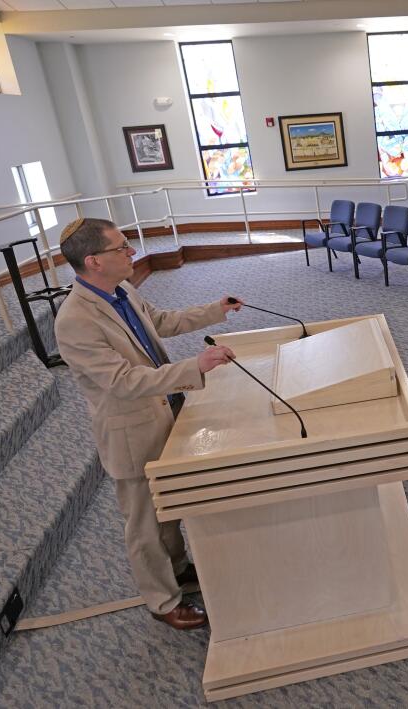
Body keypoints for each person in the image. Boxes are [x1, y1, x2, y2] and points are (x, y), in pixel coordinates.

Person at [54, 217, 243, 630]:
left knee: (169, 502)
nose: (132, 252)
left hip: (163, 407)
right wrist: (193, 367)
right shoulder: (74, 321)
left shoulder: (119, 289)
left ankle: (177, 569)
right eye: (121, 247)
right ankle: (163, 601)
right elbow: (122, 382)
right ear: (94, 261)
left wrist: (215, 309)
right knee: (144, 521)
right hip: (129, 428)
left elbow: (159, 322)